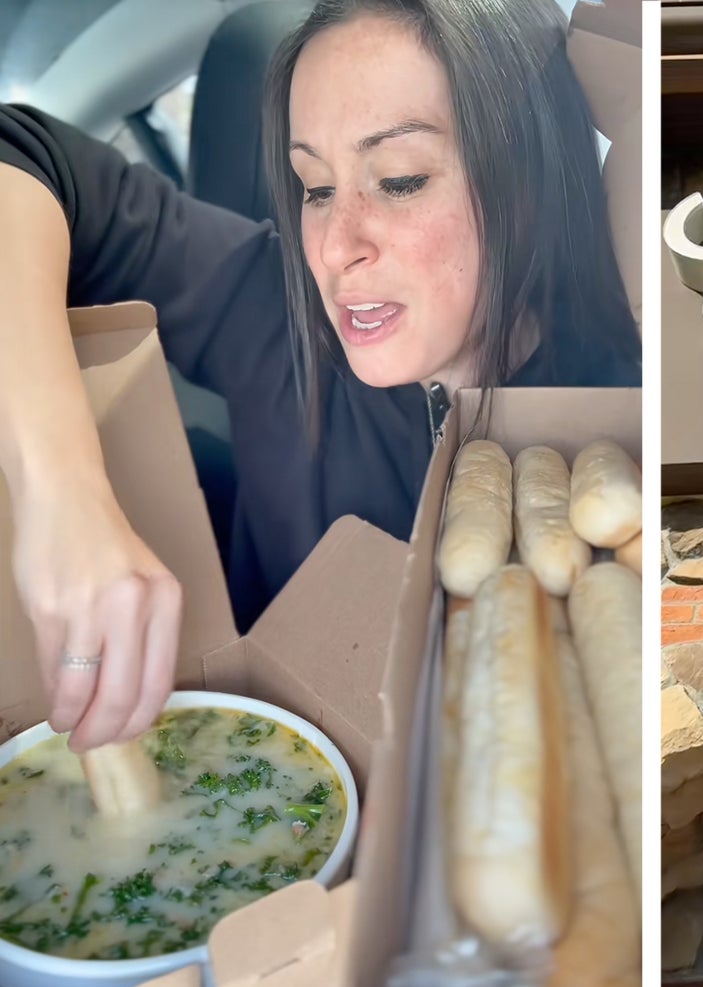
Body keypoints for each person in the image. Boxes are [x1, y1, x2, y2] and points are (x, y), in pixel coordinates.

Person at [0, 0, 639, 754]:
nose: (336, 248)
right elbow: (21, 150)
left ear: (528, 184)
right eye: (316, 187)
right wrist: (63, 502)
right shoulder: (270, 310)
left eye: (398, 180)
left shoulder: (628, 408)